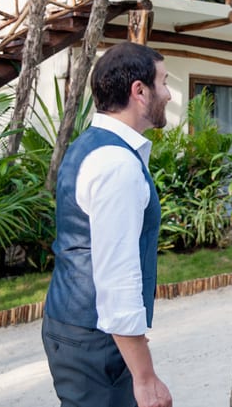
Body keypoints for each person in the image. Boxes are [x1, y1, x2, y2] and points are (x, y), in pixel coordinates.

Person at [42, 42, 173, 407]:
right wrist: (145, 378)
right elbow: (118, 275)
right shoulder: (117, 163)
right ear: (140, 91)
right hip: (95, 340)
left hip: (73, 325)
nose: (169, 93)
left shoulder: (90, 145)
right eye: (164, 82)